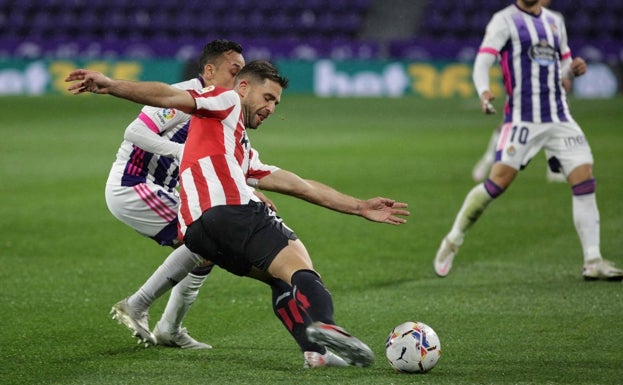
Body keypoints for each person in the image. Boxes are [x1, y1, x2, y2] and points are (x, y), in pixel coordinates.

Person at [66, 60, 410, 368]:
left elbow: (298, 184)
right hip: (229, 213)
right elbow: (169, 96)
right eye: (268, 98)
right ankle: (326, 324)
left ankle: (315, 353)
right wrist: (111, 84)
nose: (272, 108)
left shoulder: (239, 146)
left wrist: (359, 206)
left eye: (276, 102)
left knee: (277, 278)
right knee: (301, 266)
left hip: (198, 234)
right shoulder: (226, 100)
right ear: (243, 87)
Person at [433, 0, 623, 281]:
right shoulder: (505, 20)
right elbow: (483, 61)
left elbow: (564, 66)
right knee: (496, 184)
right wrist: (484, 91)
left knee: (584, 180)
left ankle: (593, 259)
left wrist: (574, 69)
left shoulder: (555, 21)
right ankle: (453, 238)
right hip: (522, 119)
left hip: (560, 118)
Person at [103, 40, 248, 350]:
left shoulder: (221, 104)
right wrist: (182, 151)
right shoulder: (185, 95)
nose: (239, 81)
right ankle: (139, 306)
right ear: (210, 71)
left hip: (162, 187)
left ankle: (169, 327)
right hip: (135, 184)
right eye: (234, 72)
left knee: (209, 248)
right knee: (207, 239)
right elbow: (134, 132)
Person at [471, 0, 567, 184]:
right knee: (508, 127)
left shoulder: (556, 20)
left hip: (550, 89)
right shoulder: (509, 19)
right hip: (523, 88)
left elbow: (560, 55)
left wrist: (566, 73)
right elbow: (491, 55)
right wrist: (484, 89)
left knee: (557, 123)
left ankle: (555, 169)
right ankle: (488, 160)